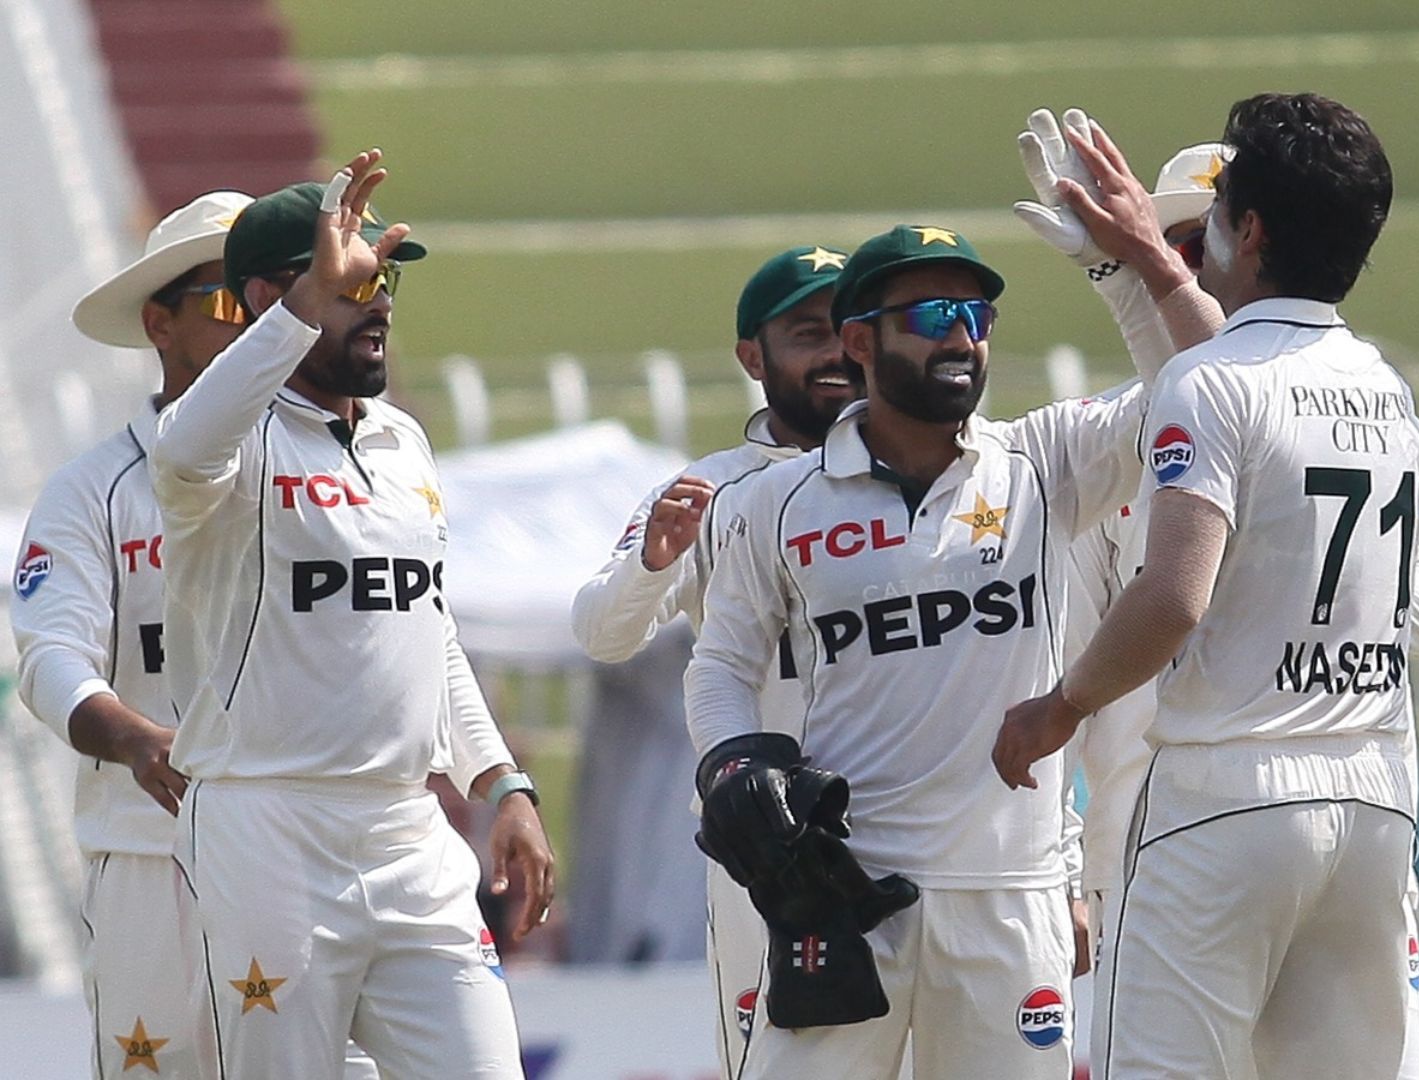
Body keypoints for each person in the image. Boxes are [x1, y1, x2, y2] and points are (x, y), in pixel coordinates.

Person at [995, 91, 1419, 1078]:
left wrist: (1061, 706)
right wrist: (1149, 266)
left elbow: (1172, 598)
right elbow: (1251, 378)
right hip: (1370, 798)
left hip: (1228, 794)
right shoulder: (1381, 382)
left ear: (1251, 229)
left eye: (1220, 205)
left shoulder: (1212, 384)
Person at [685, 220, 1163, 1079]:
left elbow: (1199, 391)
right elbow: (720, 663)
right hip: (840, 893)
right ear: (859, 341)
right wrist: (731, 763)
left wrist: (1122, 272)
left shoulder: (1040, 461)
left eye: (977, 315)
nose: (961, 336)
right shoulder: (776, 501)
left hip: (1007, 901)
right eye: (933, 314)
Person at [150, 151, 556, 1078]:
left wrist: (503, 785)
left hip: (411, 833)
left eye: (383, 282)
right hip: (268, 828)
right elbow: (181, 452)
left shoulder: (401, 439)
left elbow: (426, 628)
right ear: (266, 296)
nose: (375, 300)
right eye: (350, 281)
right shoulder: (223, 441)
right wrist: (300, 314)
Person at [10, 191, 388, 1079]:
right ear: (159, 324)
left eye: (283, 298)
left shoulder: (345, 462)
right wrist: (136, 739)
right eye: (229, 304)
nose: (260, 325)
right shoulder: (94, 488)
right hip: (153, 853)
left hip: (312, 845)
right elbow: (51, 660)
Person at [571, 243, 856, 1075]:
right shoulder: (709, 489)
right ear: (752, 356)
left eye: (848, 330)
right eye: (808, 333)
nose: (837, 354)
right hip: (768, 847)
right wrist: (653, 562)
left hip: (913, 821)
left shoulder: (924, 473)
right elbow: (600, 631)